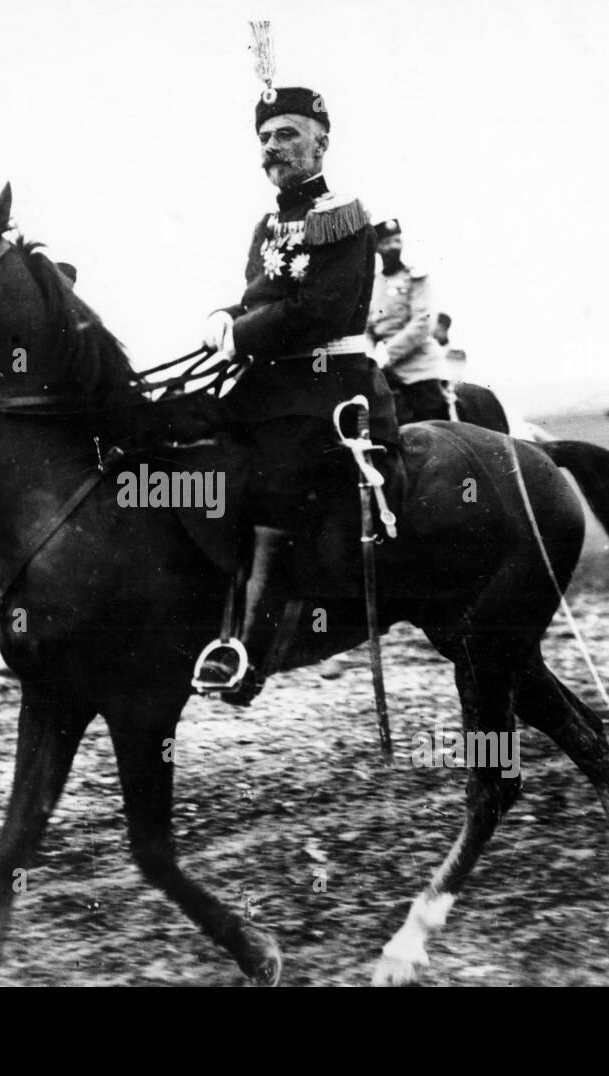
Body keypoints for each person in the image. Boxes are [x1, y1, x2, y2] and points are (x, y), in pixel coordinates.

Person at [192, 84, 394, 704]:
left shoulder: (342, 214)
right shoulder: (270, 222)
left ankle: (248, 656)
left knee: (275, 485)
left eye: (286, 135)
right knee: (193, 447)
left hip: (326, 387)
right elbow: (260, 296)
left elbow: (317, 310)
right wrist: (223, 317)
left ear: (321, 142)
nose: (272, 149)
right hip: (272, 383)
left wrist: (243, 334)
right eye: (264, 138)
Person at [366, 219, 451, 423]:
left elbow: (423, 323)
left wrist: (387, 353)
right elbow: (368, 328)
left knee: (432, 432)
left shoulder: (416, 277)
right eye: (387, 243)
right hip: (385, 372)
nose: (393, 247)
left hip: (419, 371)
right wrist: (369, 355)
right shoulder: (373, 283)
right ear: (377, 248)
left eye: (397, 241)